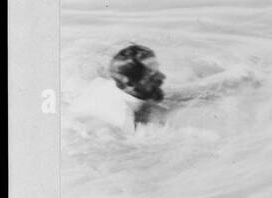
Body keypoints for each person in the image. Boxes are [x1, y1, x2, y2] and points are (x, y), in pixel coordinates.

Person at [71, 45, 254, 134]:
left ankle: (240, 74)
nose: (162, 77)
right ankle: (242, 73)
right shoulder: (128, 119)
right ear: (130, 83)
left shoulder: (107, 83)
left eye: (157, 70)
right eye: (152, 75)